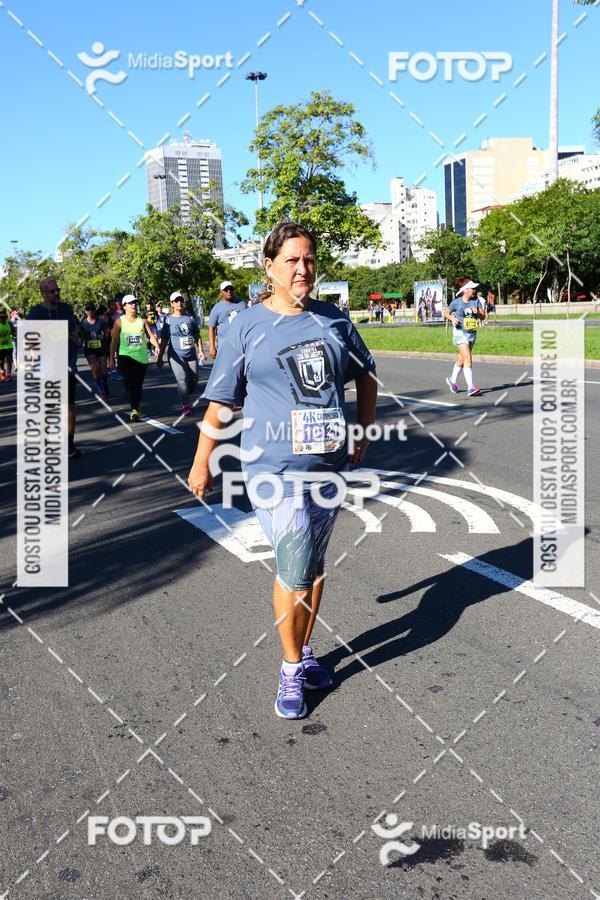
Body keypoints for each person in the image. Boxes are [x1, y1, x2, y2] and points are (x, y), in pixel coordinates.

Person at [188, 222, 378, 720]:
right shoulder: (245, 326)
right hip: (272, 468)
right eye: (291, 260)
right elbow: (221, 403)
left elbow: (367, 376)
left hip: (329, 466)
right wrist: (201, 462)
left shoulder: (335, 320)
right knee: (294, 566)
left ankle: (306, 649)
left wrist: (361, 431)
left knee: (314, 567)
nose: (302, 268)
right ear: (269, 267)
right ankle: (291, 666)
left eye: (309, 259)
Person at [28, 279, 82, 458]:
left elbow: (73, 331)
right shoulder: (36, 313)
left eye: (58, 290)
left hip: (67, 364)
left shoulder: (66, 309)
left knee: (69, 406)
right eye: (52, 291)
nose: (57, 293)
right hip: (45, 367)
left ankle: (69, 445)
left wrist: (76, 339)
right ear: (43, 293)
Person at [109, 294, 159, 422]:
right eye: (131, 303)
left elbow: (150, 336)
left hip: (141, 358)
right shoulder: (119, 322)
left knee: (138, 385)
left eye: (135, 303)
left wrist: (157, 346)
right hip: (125, 357)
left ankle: (135, 408)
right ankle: (134, 409)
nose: (134, 305)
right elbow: (113, 341)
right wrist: (111, 359)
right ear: (124, 306)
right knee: (131, 384)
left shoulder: (142, 320)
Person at [157, 291, 206, 415]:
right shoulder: (168, 320)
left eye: (181, 300)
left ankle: (183, 392)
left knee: (194, 380)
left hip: (191, 354)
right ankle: (185, 404)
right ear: (172, 304)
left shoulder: (189, 317)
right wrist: (160, 357)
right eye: (176, 301)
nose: (179, 303)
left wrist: (200, 350)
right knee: (182, 380)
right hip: (176, 356)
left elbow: (197, 335)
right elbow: (164, 340)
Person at [444, 279, 485, 396]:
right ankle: (471, 386)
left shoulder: (476, 301)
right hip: (459, 333)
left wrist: (477, 312)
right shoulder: (456, 302)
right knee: (468, 358)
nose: (474, 290)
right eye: (472, 288)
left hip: (472, 333)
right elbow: (446, 313)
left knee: (462, 359)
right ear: (465, 290)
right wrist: (452, 318)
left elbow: (483, 317)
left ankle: (452, 380)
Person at [207, 281, 247, 359]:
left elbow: (249, 321)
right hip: (224, 347)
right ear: (221, 292)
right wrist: (212, 347)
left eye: (231, 289)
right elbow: (211, 327)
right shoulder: (217, 308)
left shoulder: (242, 304)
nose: (229, 291)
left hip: (241, 346)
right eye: (226, 290)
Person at [81, 303, 109, 398]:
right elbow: (80, 335)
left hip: (101, 348)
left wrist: (103, 336)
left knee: (104, 370)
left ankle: (105, 384)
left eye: (91, 309)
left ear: (94, 310)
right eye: (88, 310)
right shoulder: (83, 323)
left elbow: (107, 334)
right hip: (89, 349)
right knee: (95, 370)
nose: (90, 312)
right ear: (85, 311)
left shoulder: (101, 322)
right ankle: (100, 390)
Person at [0, 309, 15, 381]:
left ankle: (8, 375)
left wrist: (14, 336)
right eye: (1, 317)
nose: (3, 318)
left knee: (9, 360)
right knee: (1, 361)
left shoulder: (9, 324)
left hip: (9, 345)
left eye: (4, 317)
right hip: (0, 346)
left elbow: (13, 332)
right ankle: (2, 372)